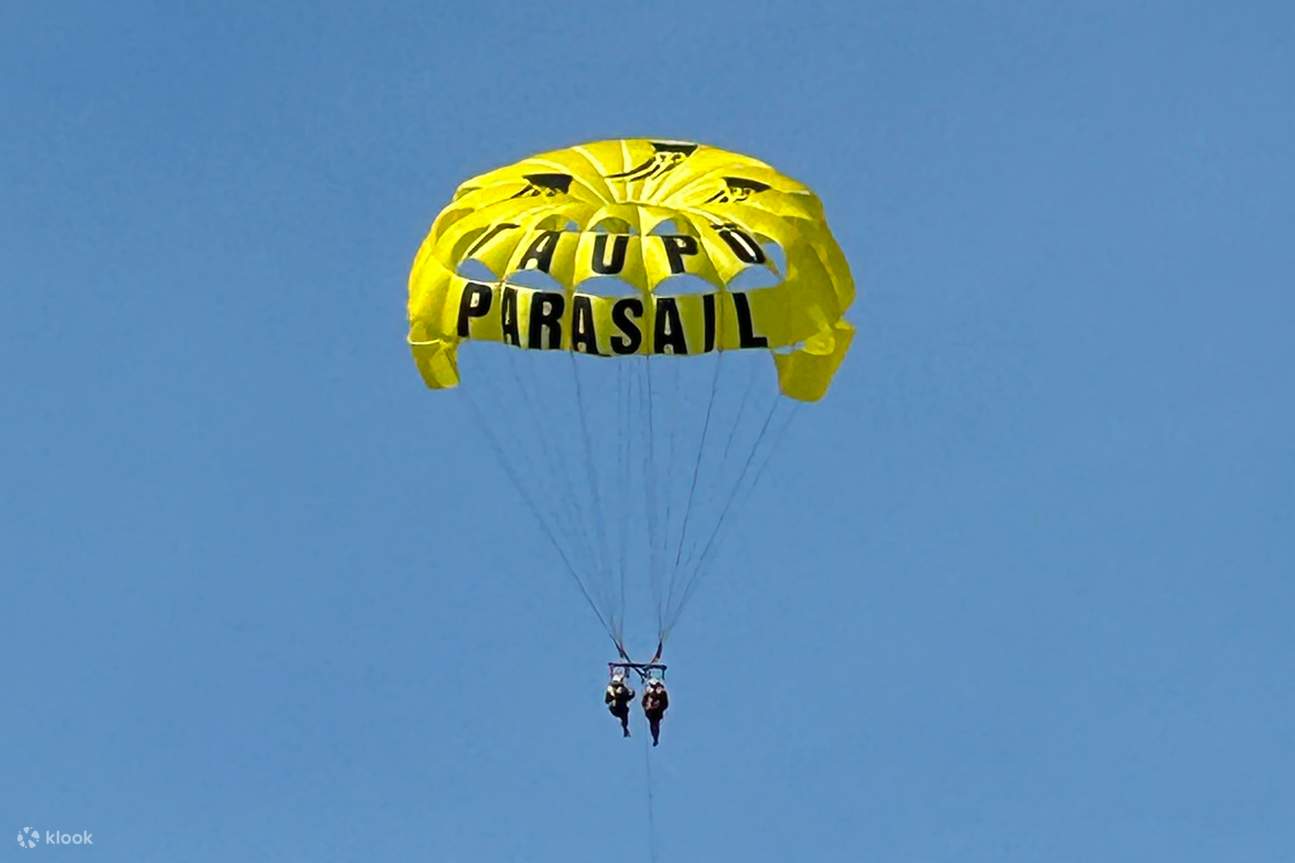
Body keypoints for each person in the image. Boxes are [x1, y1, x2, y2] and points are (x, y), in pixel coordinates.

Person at [604, 673, 635, 737]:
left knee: (624, 717)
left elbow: (629, 696)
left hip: (620, 708)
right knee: (624, 716)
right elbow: (607, 700)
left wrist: (632, 693)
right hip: (616, 707)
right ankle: (625, 729)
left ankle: (625, 730)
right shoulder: (612, 688)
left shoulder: (621, 689)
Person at [641, 679, 669, 746]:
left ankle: (655, 739)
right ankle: (655, 738)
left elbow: (665, 704)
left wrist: (658, 706)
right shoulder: (649, 692)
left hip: (657, 713)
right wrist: (648, 706)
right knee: (653, 724)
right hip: (651, 712)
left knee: (655, 725)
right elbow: (644, 703)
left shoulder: (662, 693)